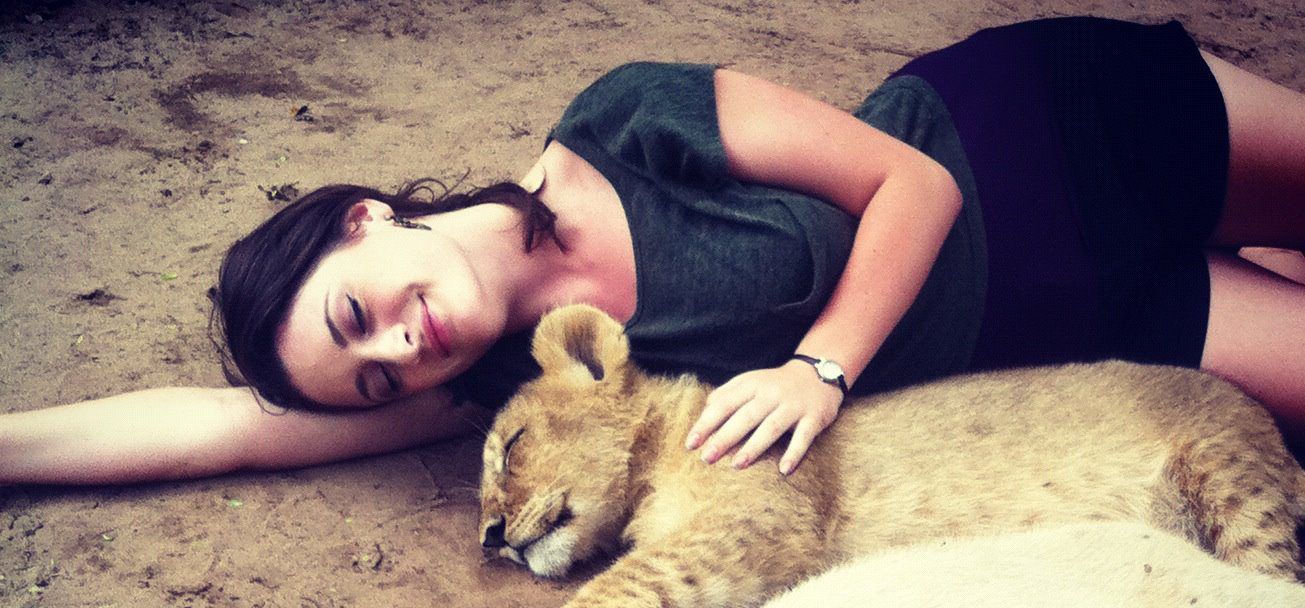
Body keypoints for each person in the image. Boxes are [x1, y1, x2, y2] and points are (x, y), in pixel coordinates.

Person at [3, 16, 1303, 486]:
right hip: (1087, 322)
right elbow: (221, 429)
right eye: (377, 380)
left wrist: (819, 370)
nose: (404, 347)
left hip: (1041, 135)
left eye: (359, 321)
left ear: (363, 217)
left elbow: (906, 183)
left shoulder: (623, 121)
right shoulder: (513, 380)